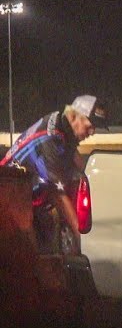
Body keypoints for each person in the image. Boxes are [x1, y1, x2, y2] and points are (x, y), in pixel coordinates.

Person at [0, 94, 108, 253]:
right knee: (35, 254)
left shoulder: (64, 125)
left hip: (23, 199)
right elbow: (57, 193)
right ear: (74, 117)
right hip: (9, 202)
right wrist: (84, 240)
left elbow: (77, 162)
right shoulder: (49, 139)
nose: (92, 132)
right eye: (90, 126)